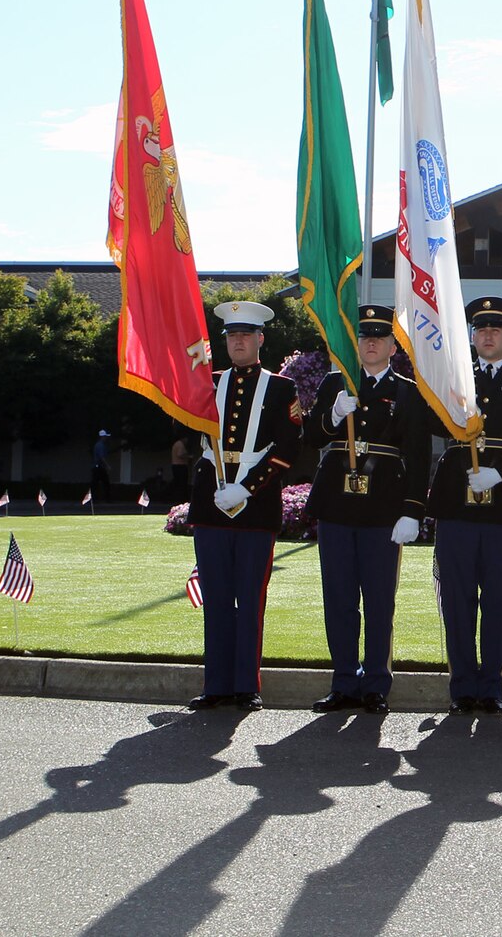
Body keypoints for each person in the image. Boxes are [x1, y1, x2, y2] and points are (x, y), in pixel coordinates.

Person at [304, 304, 432, 715]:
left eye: (379, 337)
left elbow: (418, 453)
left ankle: (376, 683)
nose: (371, 342)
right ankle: (344, 681)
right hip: (337, 505)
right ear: (354, 343)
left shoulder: (409, 391)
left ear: (394, 346)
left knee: (379, 601)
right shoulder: (334, 383)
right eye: (364, 336)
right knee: (338, 598)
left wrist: (413, 509)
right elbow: (310, 436)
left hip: (383, 508)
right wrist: (332, 413)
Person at [426, 296, 502, 715]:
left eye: (496, 328)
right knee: (457, 599)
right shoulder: (453, 380)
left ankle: (492, 686)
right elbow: (428, 421)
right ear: (472, 336)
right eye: (481, 329)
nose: (488, 335)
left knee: (498, 599)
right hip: (457, 500)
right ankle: (462, 687)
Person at [186, 300, 302, 712]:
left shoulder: (282, 388)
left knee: (250, 599)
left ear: (260, 340)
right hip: (211, 504)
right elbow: (183, 428)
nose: (238, 341)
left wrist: (248, 487)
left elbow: (288, 449)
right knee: (216, 597)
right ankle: (215, 684)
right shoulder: (205, 383)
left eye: (245, 335)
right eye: (232, 336)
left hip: (255, 507)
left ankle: (245, 686)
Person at [90, 429, 112, 501]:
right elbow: (101, 457)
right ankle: (106, 499)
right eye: (105, 436)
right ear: (102, 437)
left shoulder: (98, 445)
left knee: (96, 484)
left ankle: (95, 499)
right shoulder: (100, 445)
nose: (106, 438)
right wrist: (107, 466)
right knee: (105, 483)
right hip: (99, 467)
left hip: (97, 467)